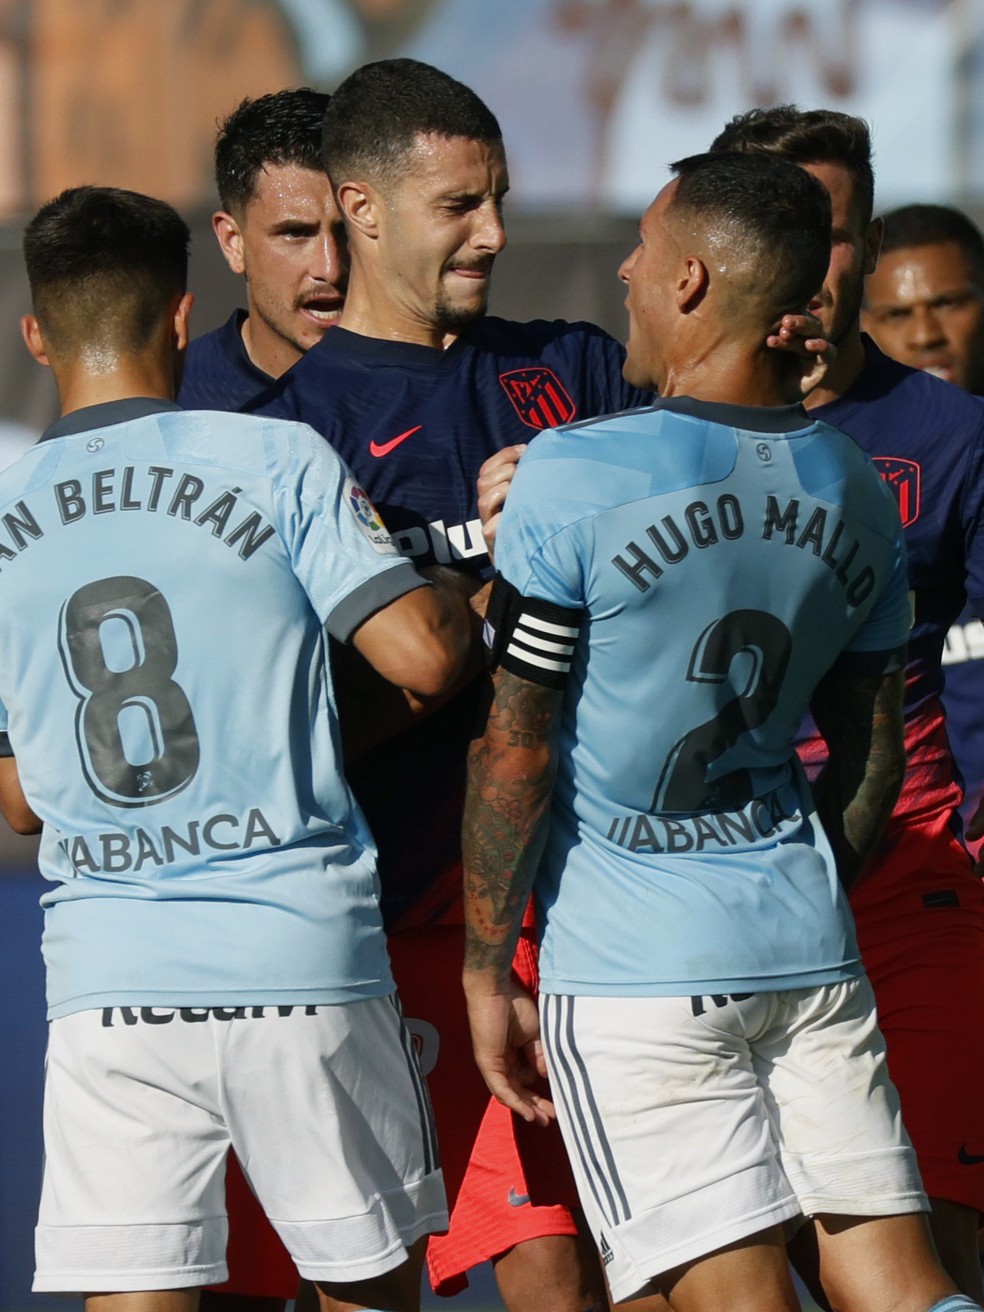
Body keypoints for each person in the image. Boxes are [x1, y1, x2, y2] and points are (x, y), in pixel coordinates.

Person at [248, 60, 825, 1310]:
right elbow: (305, 729)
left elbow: (723, 534)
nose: (496, 234)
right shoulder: (284, 442)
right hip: (415, 934)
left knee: (694, 1275)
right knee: (542, 1272)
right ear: (364, 208)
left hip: (614, 923)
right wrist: (499, 597)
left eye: (501, 198)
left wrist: (593, 515)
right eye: (461, 205)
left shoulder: (574, 369)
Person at [462, 147, 969, 1312]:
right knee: (901, 1281)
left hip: (635, 967)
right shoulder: (852, 481)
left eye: (642, 250)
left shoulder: (575, 473)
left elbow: (516, 743)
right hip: (807, 940)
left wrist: (489, 966)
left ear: (690, 279)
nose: (626, 272)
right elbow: (870, 752)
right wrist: (802, 870)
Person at [2, 184, 476, 1312]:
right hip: (297, 954)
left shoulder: (7, 509)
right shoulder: (277, 458)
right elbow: (420, 656)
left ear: (36, 334)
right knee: (362, 1290)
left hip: (110, 978)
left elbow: (20, 801)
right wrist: (473, 591)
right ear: (181, 315)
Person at [710, 107, 984, 1301]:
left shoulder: (951, 435)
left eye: (837, 231)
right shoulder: (642, 436)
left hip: (912, 890)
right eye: (787, 227)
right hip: (708, 918)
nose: (816, 264)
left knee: (928, 1241)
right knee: (737, 1271)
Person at [859, 203, 984, 859]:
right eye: (897, 314)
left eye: (951, 303)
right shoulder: (835, 470)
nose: (928, 333)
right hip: (897, 849)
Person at [178, 87, 347, 409]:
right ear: (233, 243)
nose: (330, 267)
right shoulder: (175, 401)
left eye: (349, 233)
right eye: (296, 233)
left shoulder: (440, 386)